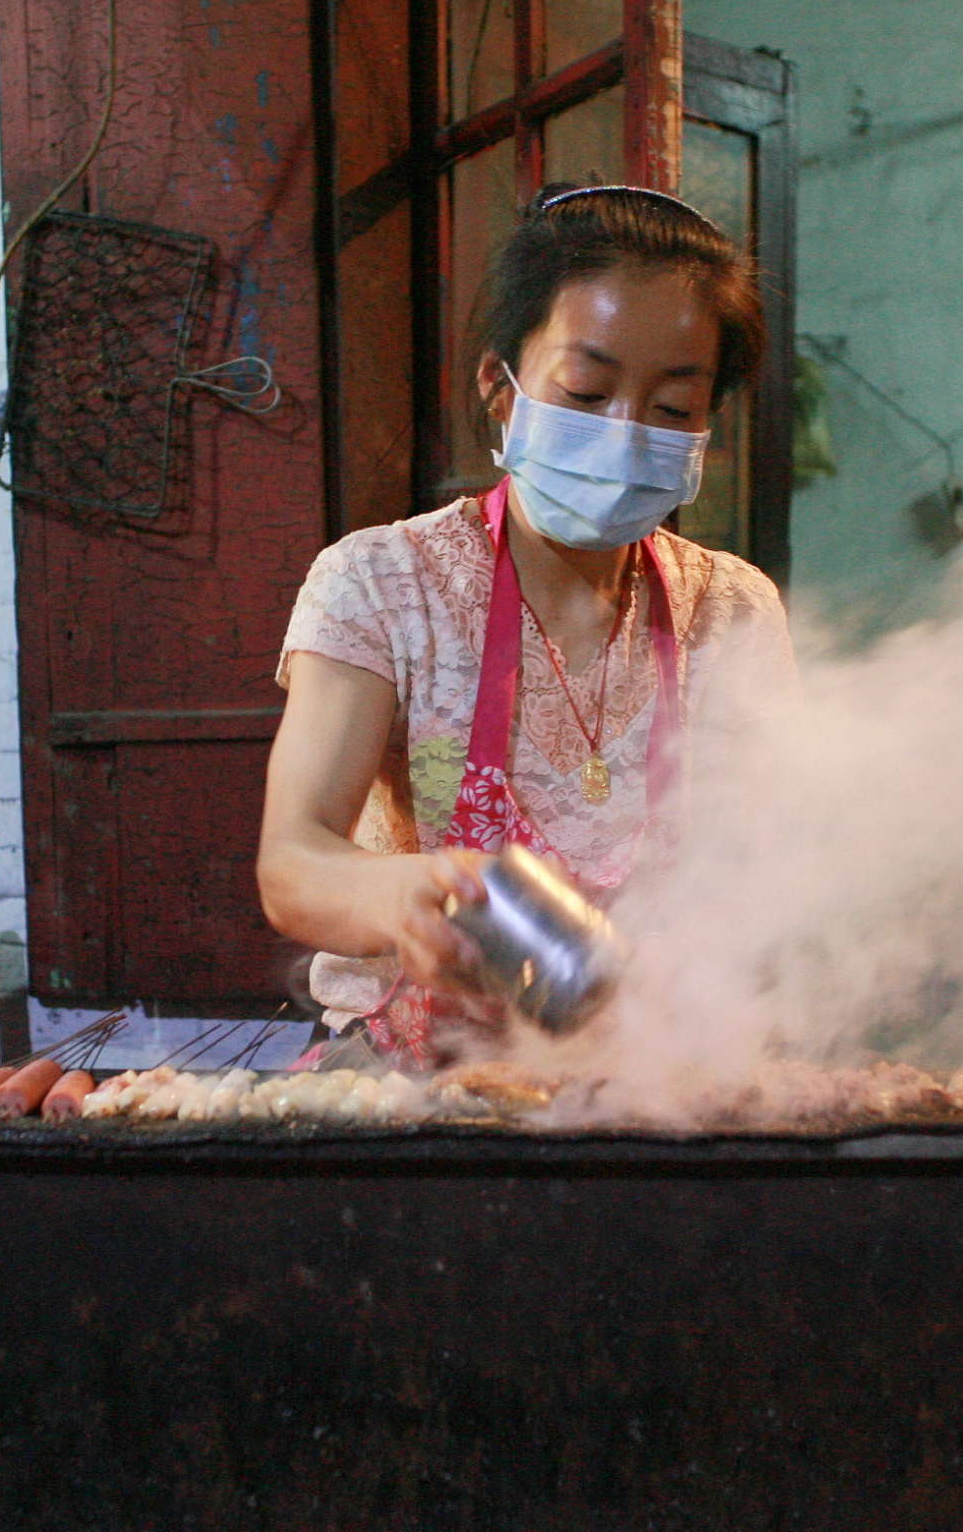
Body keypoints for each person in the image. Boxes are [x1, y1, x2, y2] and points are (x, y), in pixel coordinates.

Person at [257, 184, 798, 1068]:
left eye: (671, 409)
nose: (624, 437)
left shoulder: (733, 609)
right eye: (585, 390)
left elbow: (772, 869)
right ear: (499, 389)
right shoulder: (384, 583)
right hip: (414, 1082)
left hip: (655, 1077)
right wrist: (403, 895)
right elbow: (293, 862)